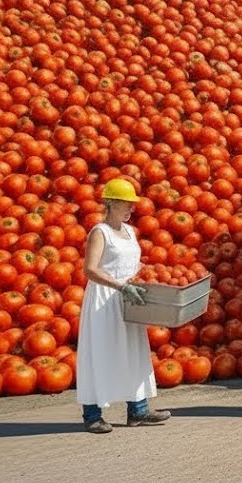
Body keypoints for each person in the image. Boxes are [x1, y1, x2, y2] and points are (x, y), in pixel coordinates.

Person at [76, 178, 169, 434]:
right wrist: (121, 285)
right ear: (111, 203)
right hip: (104, 301)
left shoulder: (130, 232)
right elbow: (90, 270)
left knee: (134, 351)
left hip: (129, 299)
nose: (131, 208)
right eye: (126, 203)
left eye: (132, 204)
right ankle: (92, 415)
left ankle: (138, 411)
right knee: (101, 353)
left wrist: (145, 279)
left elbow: (132, 265)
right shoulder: (100, 232)